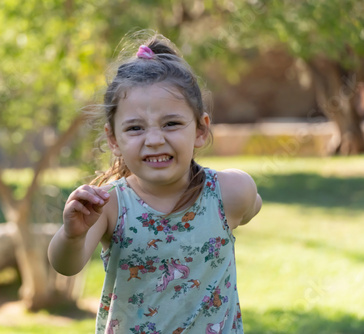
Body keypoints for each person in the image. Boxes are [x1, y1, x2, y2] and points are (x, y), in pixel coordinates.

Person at [48, 33, 262, 334]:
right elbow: (66, 266)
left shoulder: (228, 193)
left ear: (200, 130)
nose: (154, 140)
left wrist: (248, 203)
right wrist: (71, 236)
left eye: (171, 123)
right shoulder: (108, 205)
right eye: (135, 128)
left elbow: (251, 204)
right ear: (114, 140)